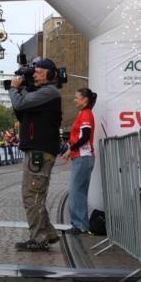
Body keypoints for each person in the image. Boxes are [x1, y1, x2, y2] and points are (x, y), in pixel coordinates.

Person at [9, 58, 64, 252]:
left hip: (39, 150)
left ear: (50, 74)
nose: (34, 75)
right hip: (37, 149)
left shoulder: (49, 92)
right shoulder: (43, 93)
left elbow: (21, 103)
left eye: (38, 72)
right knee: (34, 195)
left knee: (32, 196)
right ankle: (47, 234)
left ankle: (39, 239)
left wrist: (15, 89)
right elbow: (22, 113)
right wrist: (23, 90)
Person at [63, 87, 98, 235]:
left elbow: (84, 137)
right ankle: (81, 224)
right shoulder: (84, 114)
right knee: (79, 192)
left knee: (76, 192)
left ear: (85, 100)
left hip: (83, 157)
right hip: (83, 157)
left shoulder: (85, 115)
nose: (75, 100)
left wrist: (71, 149)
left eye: (77, 97)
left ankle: (79, 225)